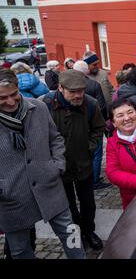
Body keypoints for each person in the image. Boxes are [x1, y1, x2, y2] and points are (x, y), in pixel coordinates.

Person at [0, 69, 85, 259]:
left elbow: (55, 139)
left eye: (14, 94)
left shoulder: (37, 108)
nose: (11, 102)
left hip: (49, 184)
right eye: (3, 98)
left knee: (71, 233)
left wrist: (57, 165)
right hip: (11, 196)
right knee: (20, 249)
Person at [41, 70, 105, 251]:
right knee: (67, 205)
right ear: (60, 88)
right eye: (73, 91)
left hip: (83, 163)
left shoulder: (90, 104)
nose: (78, 95)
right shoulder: (44, 105)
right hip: (58, 168)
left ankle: (89, 231)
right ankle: (75, 235)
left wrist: (89, 147)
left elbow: (98, 129)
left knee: (88, 203)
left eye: (81, 91)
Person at [72, 61, 112, 190]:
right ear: (86, 70)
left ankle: (87, 177)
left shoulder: (68, 86)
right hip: (93, 125)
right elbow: (102, 106)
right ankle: (94, 181)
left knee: (83, 152)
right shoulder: (94, 85)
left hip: (77, 126)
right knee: (96, 153)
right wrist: (104, 121)